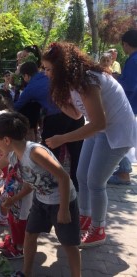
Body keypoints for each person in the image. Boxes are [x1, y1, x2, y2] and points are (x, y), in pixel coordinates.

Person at [0, 112, 81, 277]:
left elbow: (63, 177)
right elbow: (24, 180)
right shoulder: (12, 154)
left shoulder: (35, 152)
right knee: (30, 234)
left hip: (62, 201)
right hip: (41, 200)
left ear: (6, 140)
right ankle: (26, 273)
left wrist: (64, 209)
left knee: (68, 244)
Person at [41, 42, 137, 247]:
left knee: (95, 182)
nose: (46, 74)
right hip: (98, 129)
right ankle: (85, 217)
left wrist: (63, 138)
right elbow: (76, 114)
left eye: (49, 69)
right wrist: (56, 99)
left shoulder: (87, 80)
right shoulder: (74, 81)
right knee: (81, 175)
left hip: (114, 133)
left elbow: (99, 123)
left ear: (62, 67)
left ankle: (98, 229)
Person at [16, 61, 85, 191]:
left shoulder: (31, 87)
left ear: (26, 76)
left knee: (50, 152)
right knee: (76, 152)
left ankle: (52, 185)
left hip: (56, 118)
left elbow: (17, 106)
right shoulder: (48, 75)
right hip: (76, 115)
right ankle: (76, 185)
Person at [108, 29, 137, 185]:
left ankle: (124, 172)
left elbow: (130, 85)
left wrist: (114, 81)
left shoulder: (133, 60)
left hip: (127, 105)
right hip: (131, 106)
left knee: (118, 136)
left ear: (126, 44)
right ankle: (123, 169)